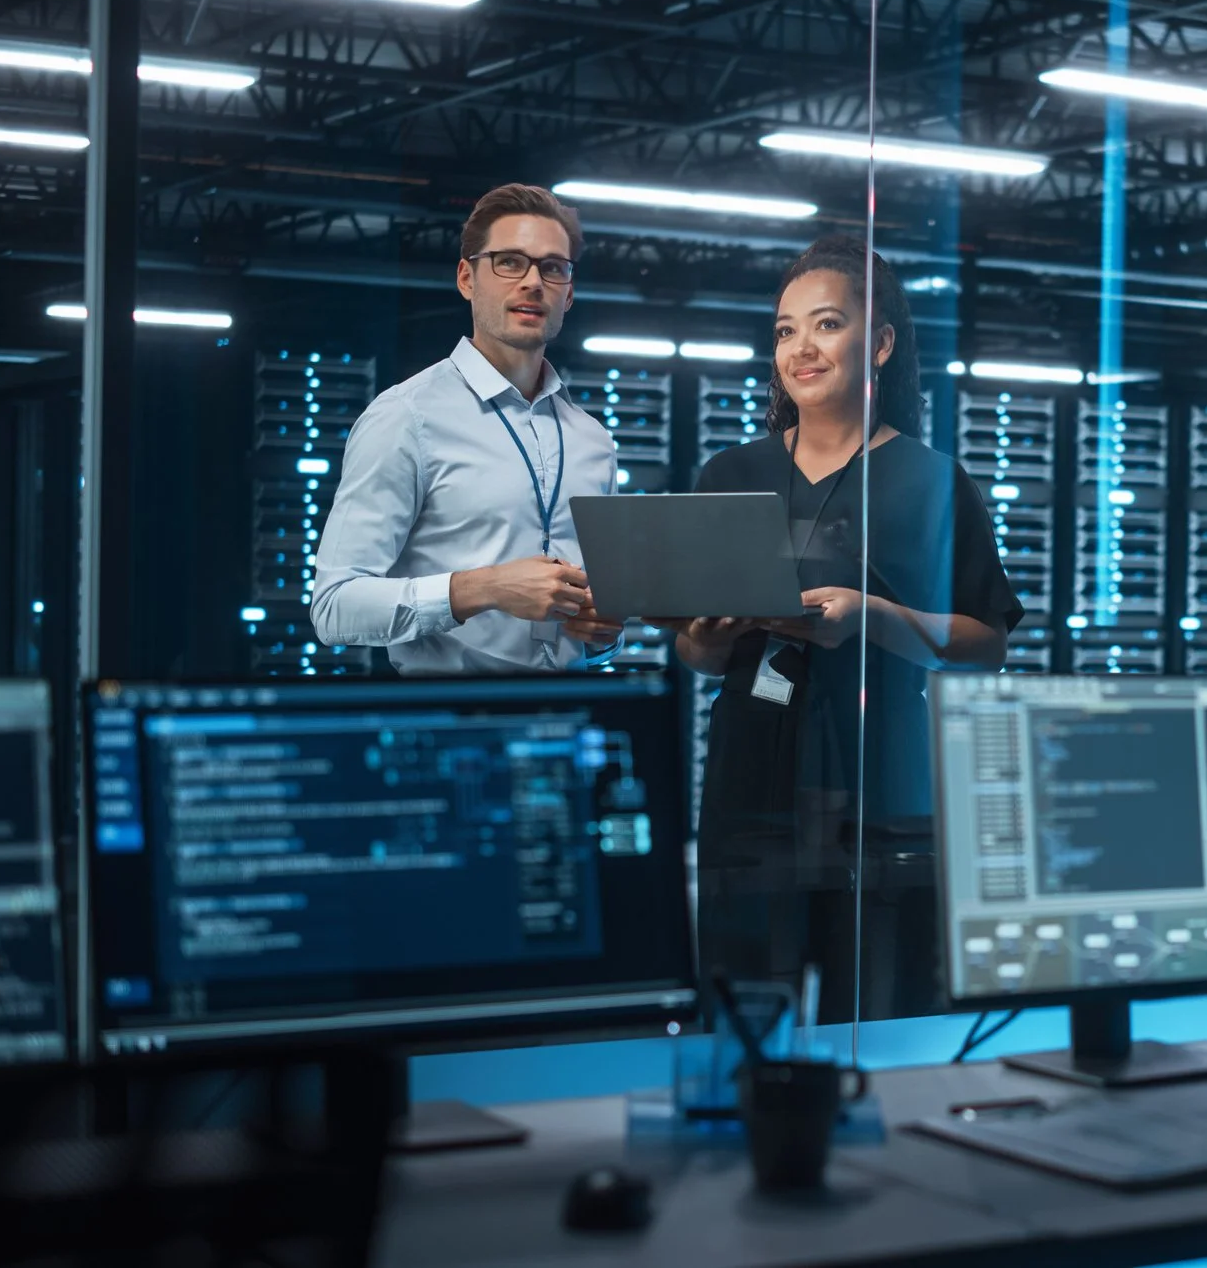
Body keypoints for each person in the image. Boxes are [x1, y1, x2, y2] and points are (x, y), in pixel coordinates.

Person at [666, 235, 1022, 1018]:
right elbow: (695, 653)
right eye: (785, 330)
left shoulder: (933, 483)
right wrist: (711, 635)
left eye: (826, 324)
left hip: (886, 788)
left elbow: (987, 642)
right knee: (743, 1016)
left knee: (885, 1014)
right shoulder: (729, 476)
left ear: (882, 343)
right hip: (751, 784)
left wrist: (874, 616)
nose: (801, 347)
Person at [311, 183, 626, 673]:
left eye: (553, 267)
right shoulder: (406, 416)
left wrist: (601, 634)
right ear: (466, 278)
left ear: (568, 294)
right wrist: (485, 588)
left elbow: (592, 624)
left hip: (567, 717)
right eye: (509, 262)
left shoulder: (593, 440)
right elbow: (334, 608)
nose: (533, 282)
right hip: (450, 723)